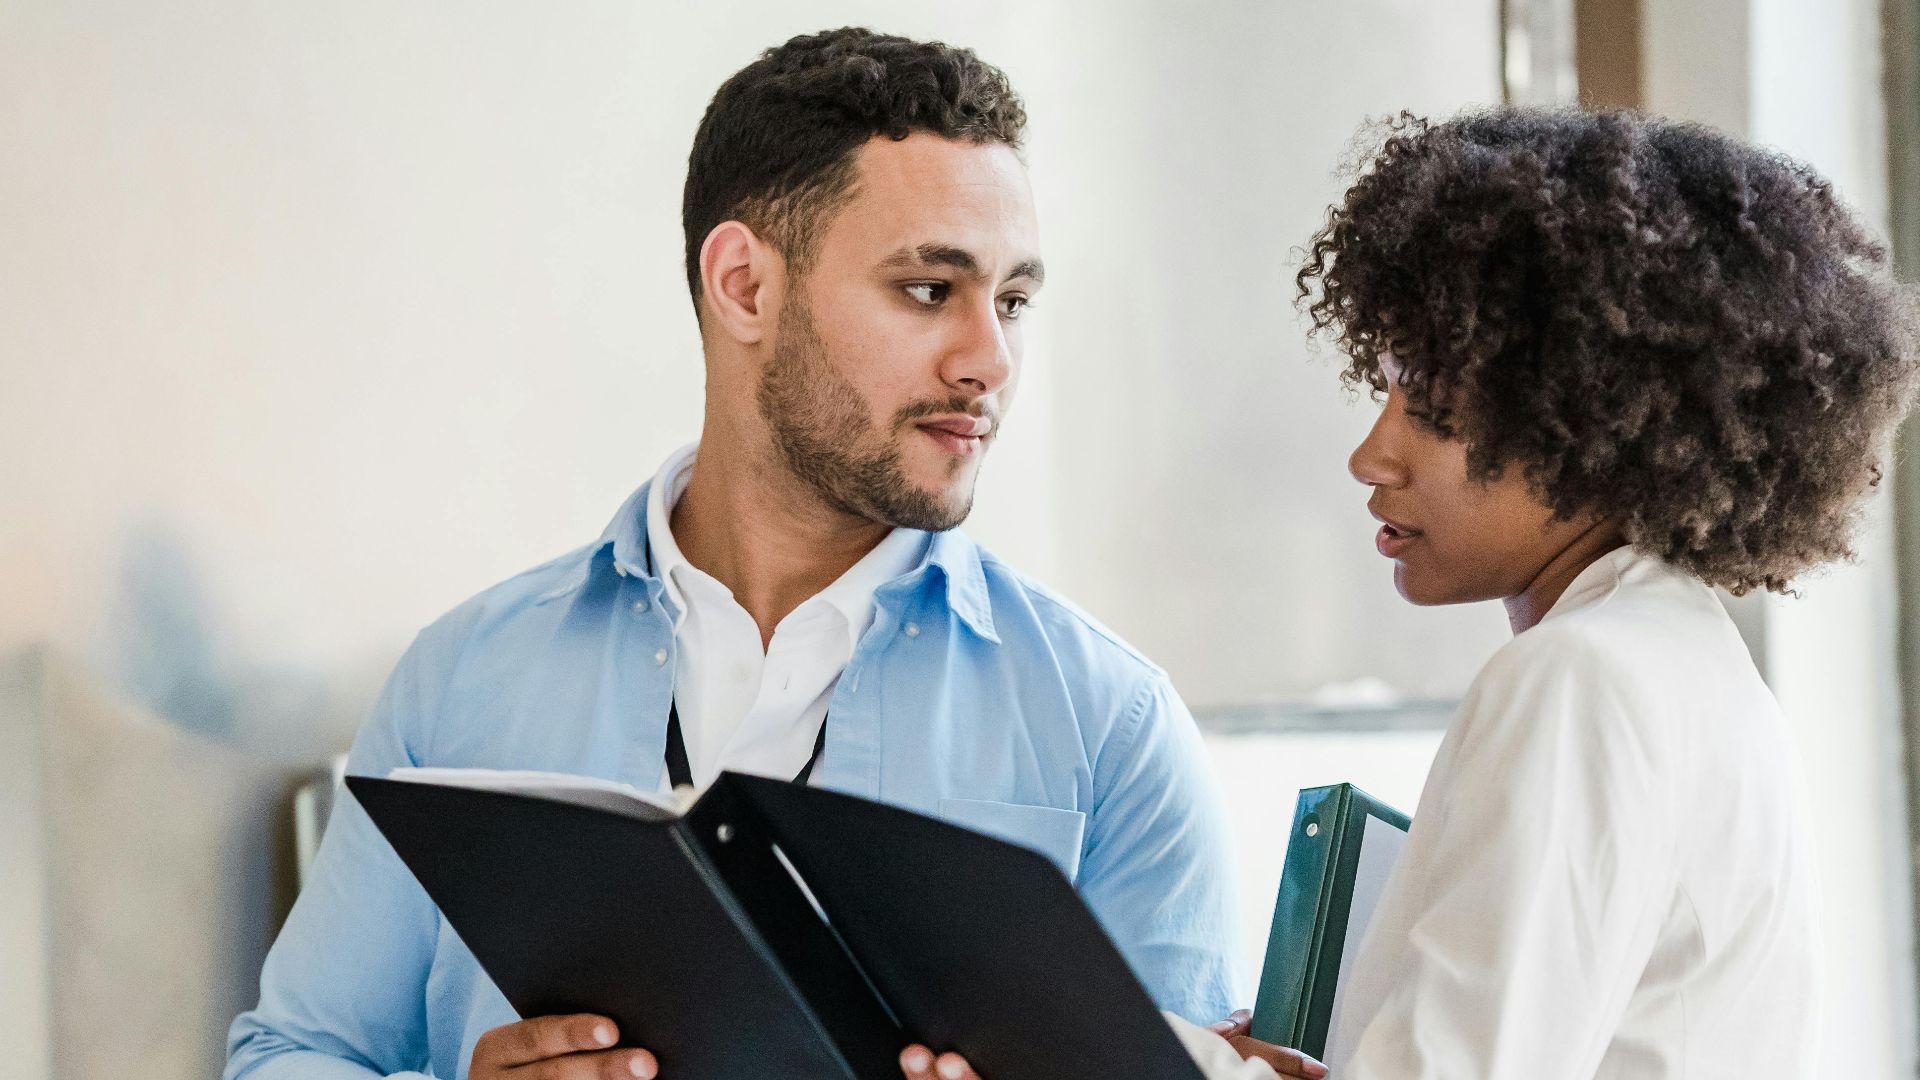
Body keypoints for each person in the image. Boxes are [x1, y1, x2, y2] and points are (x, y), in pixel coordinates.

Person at [226, 28, 1242, 1080]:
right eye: (931, 290)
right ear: (745, 286)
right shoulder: (463, 683)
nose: (990, 359)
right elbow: (289, 1056)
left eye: (1015, 301)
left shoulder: (1111, 730)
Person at [900, 107, 1919, 1080]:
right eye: (1380, 391)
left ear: (1593, 417)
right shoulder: (1688, 666)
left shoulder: (1581, 679)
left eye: (1430, 409)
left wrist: (1059, 1040)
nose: (1370, 455)